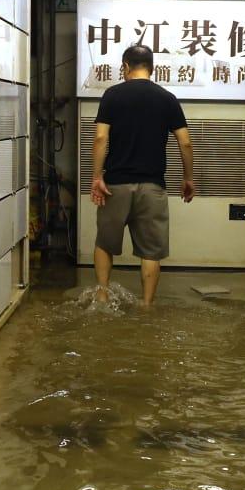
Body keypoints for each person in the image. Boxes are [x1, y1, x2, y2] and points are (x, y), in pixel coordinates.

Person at [90, 44, 195, 306]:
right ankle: (147, 306)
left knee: (104, 243)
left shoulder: (112, 95)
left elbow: (100, 138)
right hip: (152, 186)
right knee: (150, 251)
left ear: (125, 66)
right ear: (152, 68)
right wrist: (188, 178)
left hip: (115, 185)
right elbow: (185, 142)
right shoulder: (167, 98)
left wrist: (96, 178)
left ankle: (102, 297)